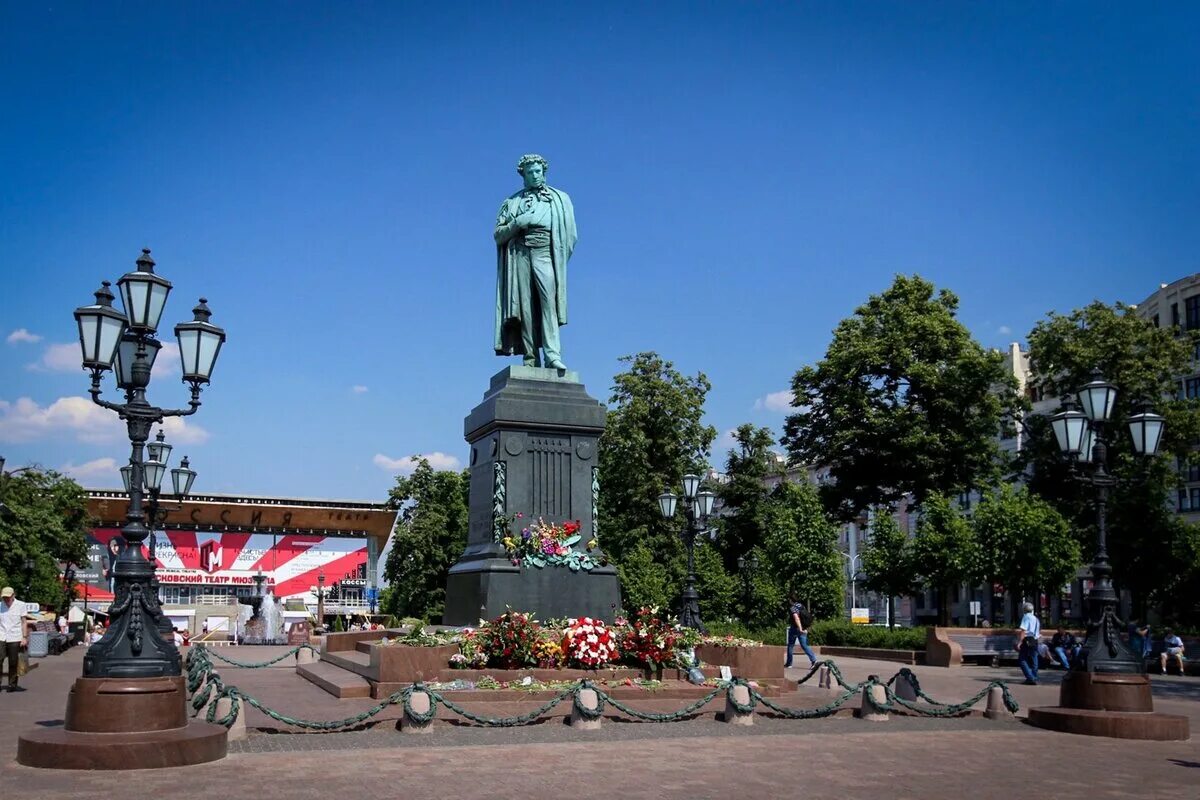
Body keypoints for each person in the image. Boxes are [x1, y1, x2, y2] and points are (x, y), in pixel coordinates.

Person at [493, 153, 578, 370]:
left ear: (544, 172)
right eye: (530, 172)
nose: (535, 175)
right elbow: (498, 235)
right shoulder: (512, 202)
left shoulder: (560, 199)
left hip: (545, 253)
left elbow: (571, 236)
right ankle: (530, 358)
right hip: (520, 254)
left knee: (548, 304)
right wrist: (518, 223)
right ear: (523, 175)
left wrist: (557, 258)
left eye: (538, 171)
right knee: (526, 307)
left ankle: (552, 355)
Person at [1, 587, 30, 692]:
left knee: (13, 662)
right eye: (4, 597)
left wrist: (24, 637)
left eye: (8, 597)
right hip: (1, 635)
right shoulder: (0, 606)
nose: (6, 599)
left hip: (15, 636)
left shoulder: (21, 605)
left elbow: (23, 622)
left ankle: (12, 684)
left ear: (13, 595)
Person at [784, 595, 817, 668]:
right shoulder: (801, 605)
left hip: (796, 628)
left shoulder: (793, 607)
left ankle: (789, 663)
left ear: (790, 600)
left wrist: (800, 628)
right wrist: (804, 628)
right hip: (804, 627)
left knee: (791, 645)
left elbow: (796, 618)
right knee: (804, 645)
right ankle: (814, 661)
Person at [1016, 602, 1042, 685]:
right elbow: (1038, 632)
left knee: (1022, 659)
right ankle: (1034, 677)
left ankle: (1030, 677)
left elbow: (1023, 630)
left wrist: (1019, 642)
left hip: (1027, 639)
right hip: (1035, 640)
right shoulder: (1036, 619)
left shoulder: (1026, 617)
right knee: (1034, 659)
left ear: (1024, 609)